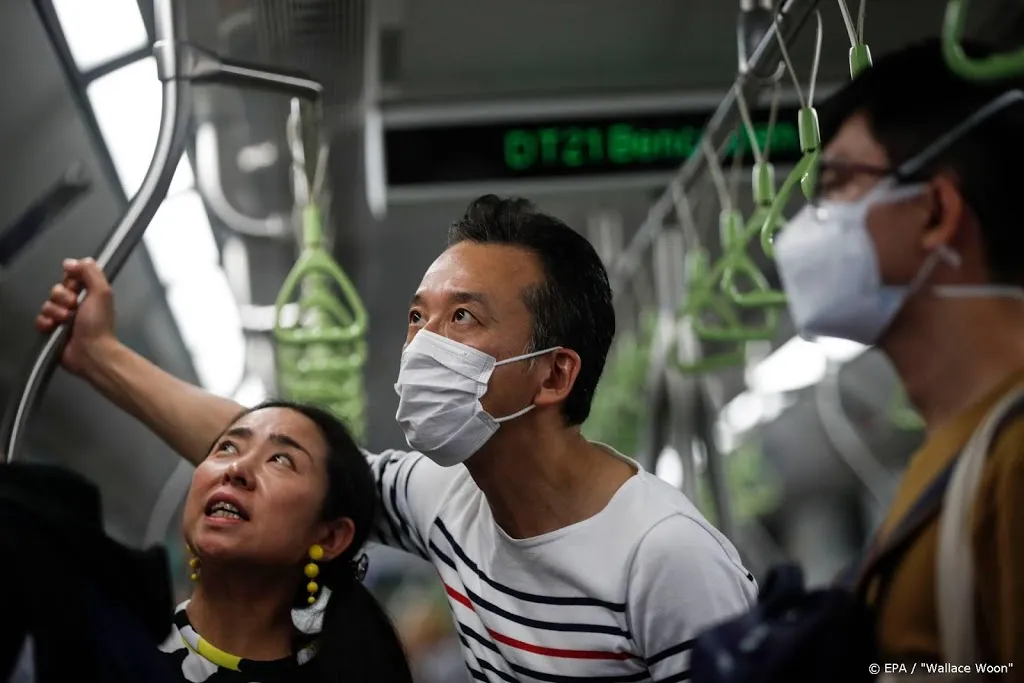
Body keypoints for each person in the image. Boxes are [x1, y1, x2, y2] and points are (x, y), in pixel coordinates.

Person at [37, 195, 757, 682]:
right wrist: (101, 356)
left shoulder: (664, 556)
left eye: (463, 319)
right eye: (419, 316)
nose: (421, 345)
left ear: (552, 375)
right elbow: (272, 452)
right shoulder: (446, 497)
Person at [772, 38, 1024, 673]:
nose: (810, 225)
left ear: (935, 210)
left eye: (838, 185)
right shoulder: (960, 450)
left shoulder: (1016, 459)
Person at [158, 399, 412, 683]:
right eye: (227, 447)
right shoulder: (114, 644)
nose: (237, 468)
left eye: (281, 460)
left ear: (330, 537)